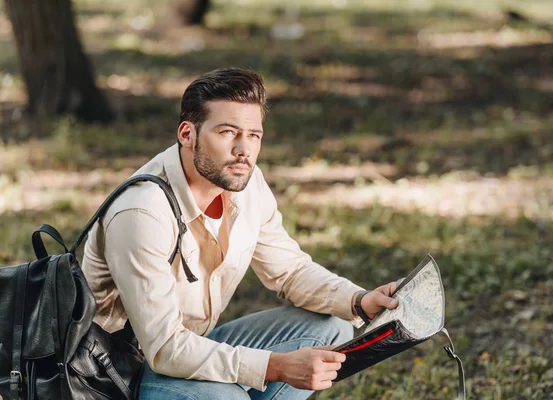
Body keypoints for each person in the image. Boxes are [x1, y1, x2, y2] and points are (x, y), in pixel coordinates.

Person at [82, 67, 400, 400]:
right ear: (187, 134)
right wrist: (275, 366)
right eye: (227, 132)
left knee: (332, 328)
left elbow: (289, 271)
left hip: (189, 347)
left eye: (253, 135)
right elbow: (164, 349)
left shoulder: (243, 182)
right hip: (120, 374)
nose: (243, 150)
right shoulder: (142, 211)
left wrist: (360, 301)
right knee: (225, 397)